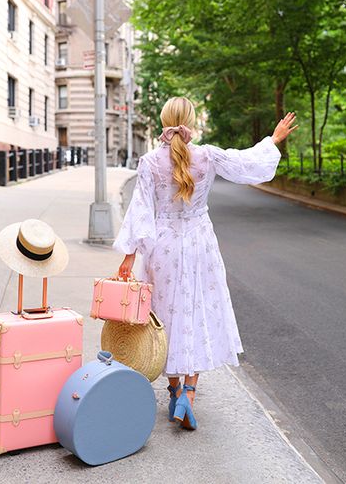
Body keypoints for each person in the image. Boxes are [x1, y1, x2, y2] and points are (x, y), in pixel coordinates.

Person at [112, 96, 297, 430]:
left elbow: (140, 212)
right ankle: (189, 394)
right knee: (195, 312)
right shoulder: (207, 156)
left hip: (162, 246)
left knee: (164, 317)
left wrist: (128, 257)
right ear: (192, 123)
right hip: (200, 244)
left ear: (163, 120)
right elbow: (246, 164)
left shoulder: (150, 162)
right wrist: (273, 140)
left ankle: (173, 389)